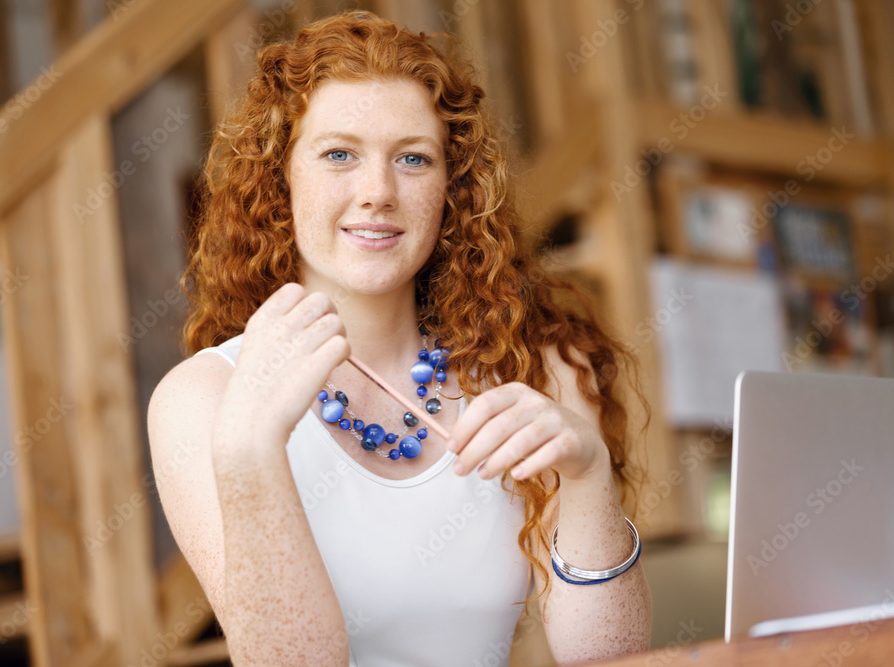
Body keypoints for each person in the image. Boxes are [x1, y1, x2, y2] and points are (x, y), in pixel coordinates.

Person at [147, 10, 652, 666]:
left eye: (413, 158)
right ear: (282, 177)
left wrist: (587, 476)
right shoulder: (205, 398)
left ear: (451, 188)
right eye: (339, 154)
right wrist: (249, 449)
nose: (378, 192)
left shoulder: (536, 372)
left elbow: (611, 657)